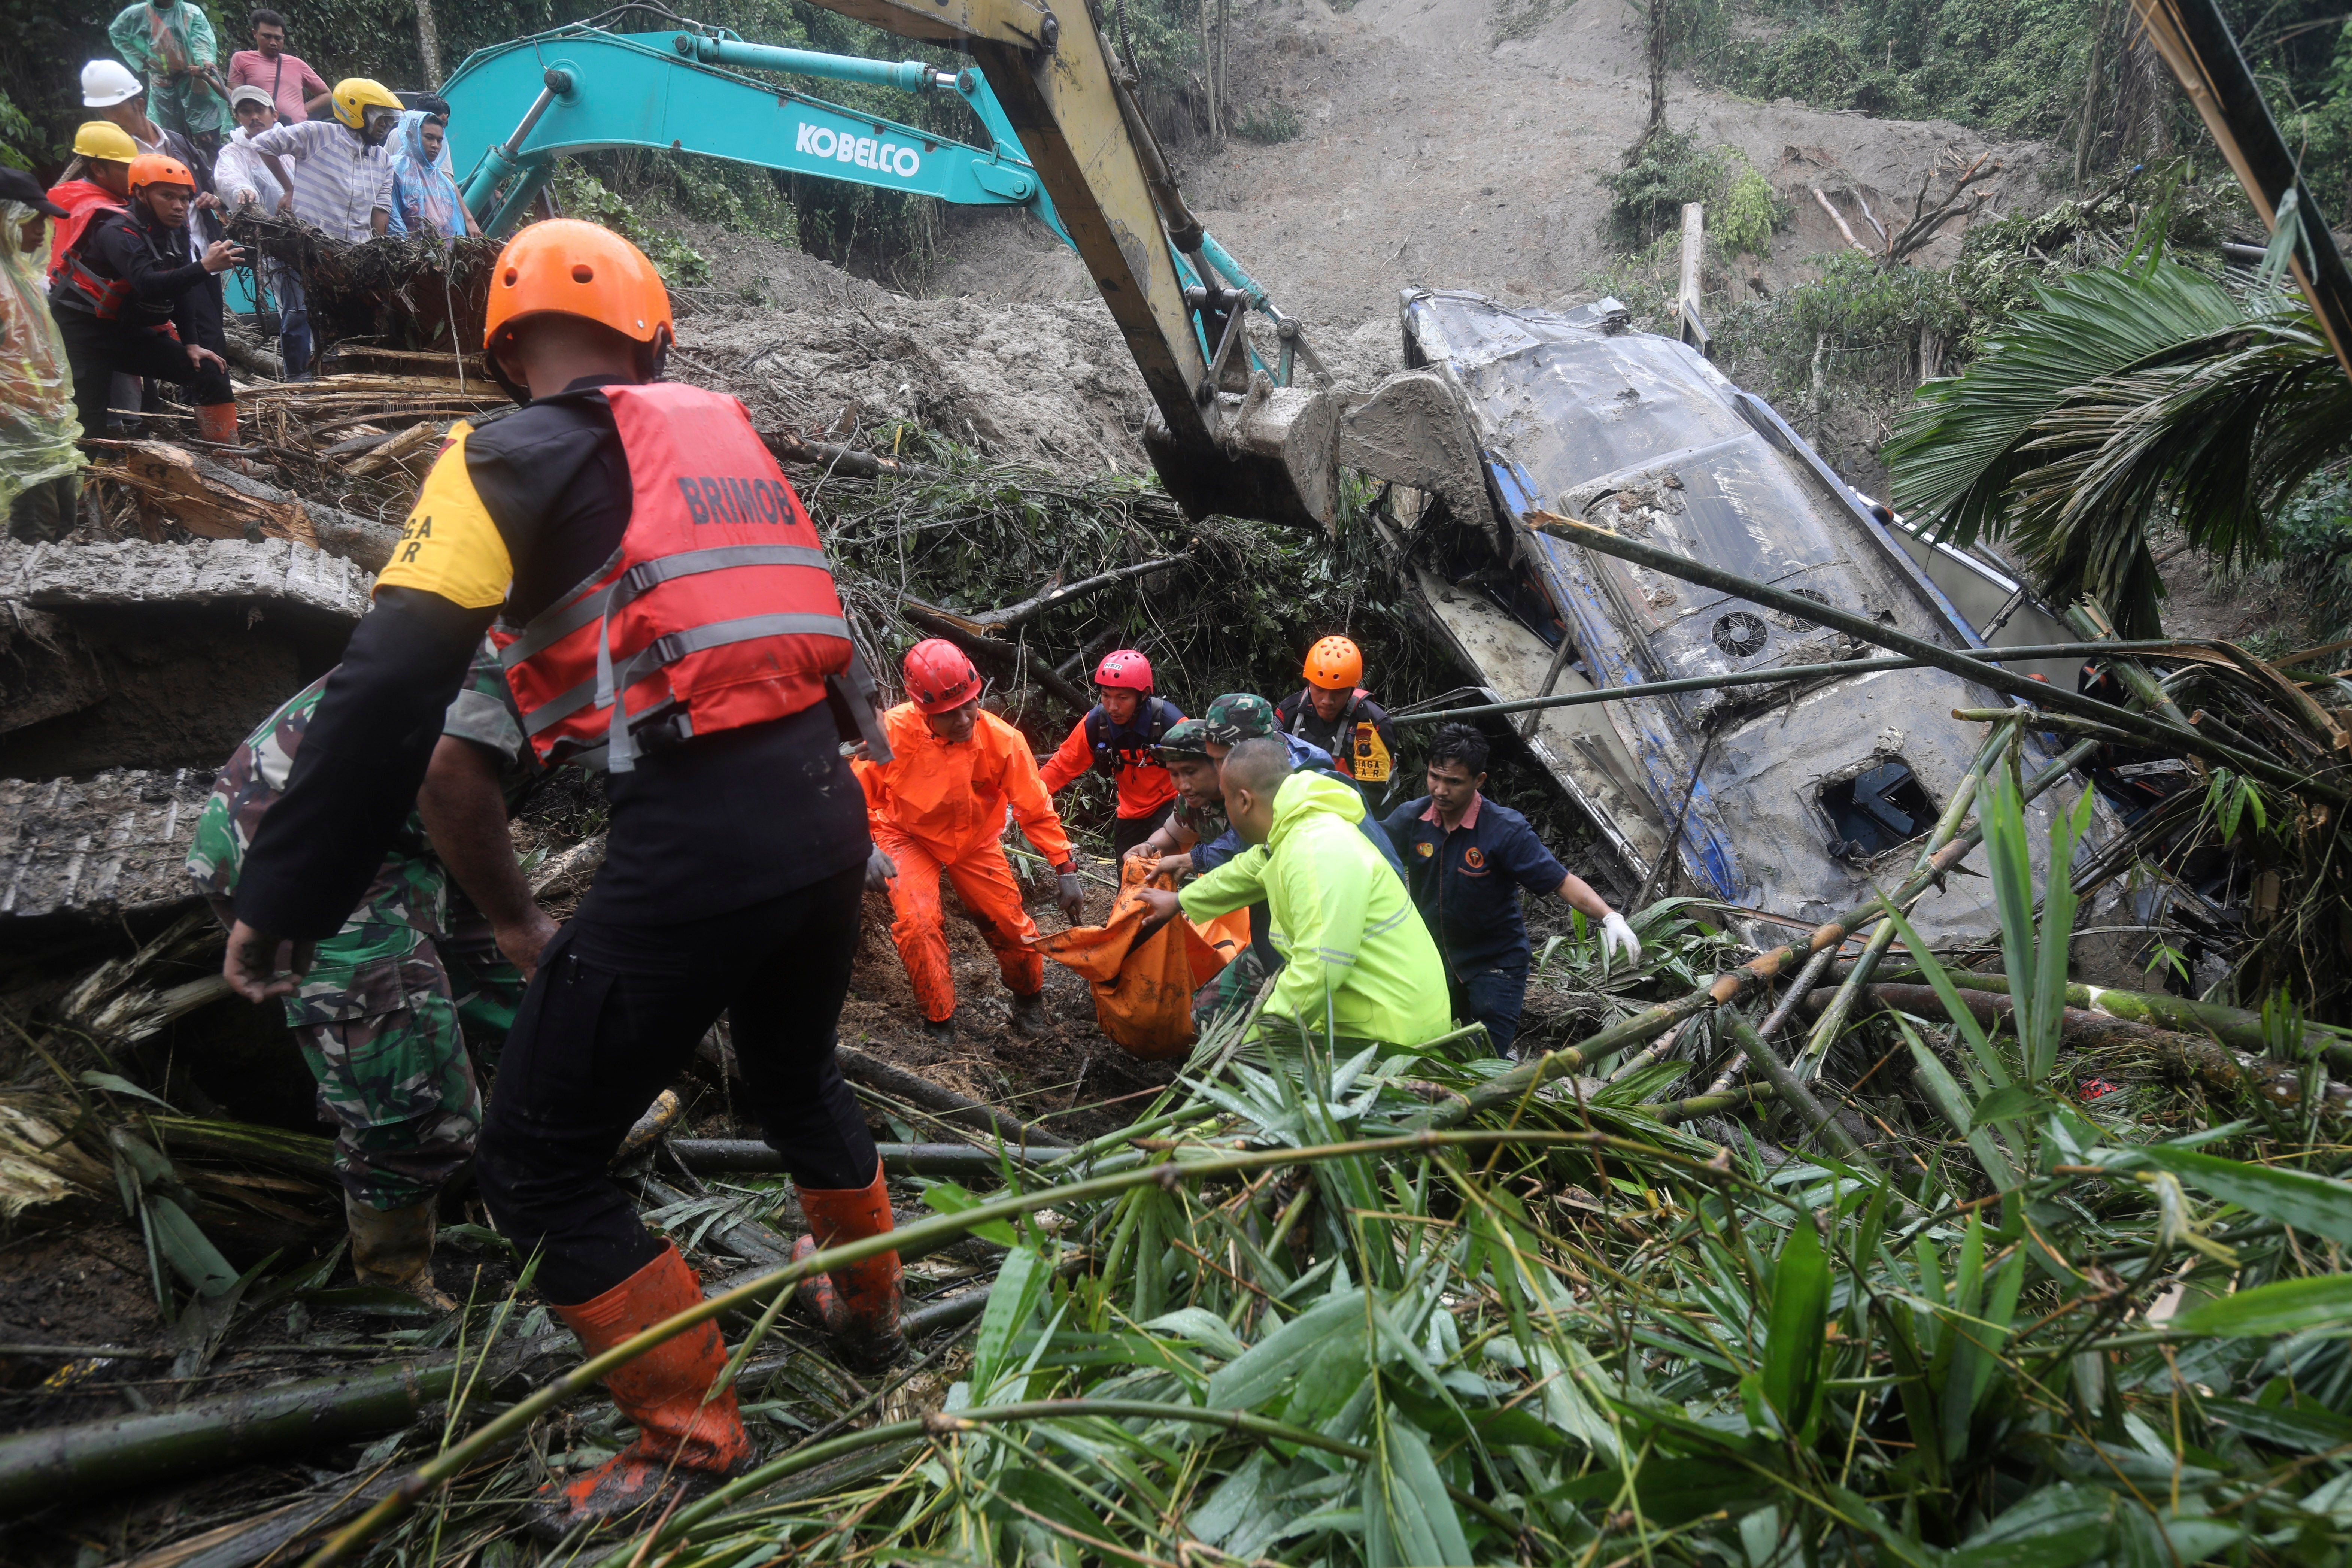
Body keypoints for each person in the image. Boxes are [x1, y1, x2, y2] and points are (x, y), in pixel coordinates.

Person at [216, 219, 901, 1533]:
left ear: (504, 346)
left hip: (695, 841)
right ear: (655, 331)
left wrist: (286, 893)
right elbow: (825, 631)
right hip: (824, 816)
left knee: (536, 1161)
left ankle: (689, 1442)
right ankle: (868, 1304)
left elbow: (387, 689)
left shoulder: (497, 456)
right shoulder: (724, 431)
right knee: (797, 1074)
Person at [188, 646, 551, 1310]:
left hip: (408, 836)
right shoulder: (544, 645)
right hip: (300, 848)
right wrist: (518, 917)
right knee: (406, 1089)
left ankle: (556, 1139)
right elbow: (446, 770)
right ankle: (391, 1279)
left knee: (524, 995)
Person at [1136, 738, 1450, 1047]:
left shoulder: (1317, 851)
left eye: (1227, 800)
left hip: (1389, 1032)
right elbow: (1250, 868)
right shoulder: (1293, 826)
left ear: (1244, 801)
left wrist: (1248, 1044)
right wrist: (1180, 901)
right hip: (1362, 1005)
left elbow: (1317, 972)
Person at [856, 639, 1087, 1041]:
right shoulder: (891, 733)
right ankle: (938, 1021)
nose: (963, 719)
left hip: (975, 841)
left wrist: (1065, 867)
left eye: (969, 704)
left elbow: (1034, 807)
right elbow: (852, 795)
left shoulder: (1002, 741)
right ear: (923, 709)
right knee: (917, 922)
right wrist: (862, 846)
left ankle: (1029, 1001)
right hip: (906, 834)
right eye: (948, 713)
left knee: (1011, 925)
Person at [1380, 724, 1641, 1058]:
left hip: (1495, 964)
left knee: (1485, 1060)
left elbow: (1560, 881)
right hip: (1432, 958)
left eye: (1454, 782)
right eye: (1434, 777)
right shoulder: (1411, 818)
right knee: (1431, 1051)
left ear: (1479, 781)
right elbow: (1370, 855)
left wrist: (1610, 916)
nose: (1440, 790)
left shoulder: (1504, 829)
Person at [47, 152, 243, 445]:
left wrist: (192, 344)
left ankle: (229, 455)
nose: (179, 207)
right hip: (82, 334)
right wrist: (204, 266)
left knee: (210, 370)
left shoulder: (175, 231)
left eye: (184, 198)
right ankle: (89, 482)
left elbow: (179, 290)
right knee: (90, 424)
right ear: (139, 193)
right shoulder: (115, 230)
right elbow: (148, 284)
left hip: (126, 332)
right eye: (167, 196)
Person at [1, 170, 84, 544]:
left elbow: (37, 348)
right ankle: (28, 595)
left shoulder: (19, 273)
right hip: (15, 421)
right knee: (35, 520)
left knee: (64, 511)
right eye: (32, 220)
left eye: (44, 221)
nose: (42, 230)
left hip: (43, 415)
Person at [1036, 649, 1182, 856]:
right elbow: (1062, 766)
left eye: (1122, 698)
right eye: (1106, 696)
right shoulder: (1096, 724)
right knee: (1128, 875)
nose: (1113, 706)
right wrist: (1027, 798)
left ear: (1144, 695)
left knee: (1159, 872)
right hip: (1130, 811)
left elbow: (1200, 771)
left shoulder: (1171, 723)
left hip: (1170, 803)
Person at [214, 83, 312, 377]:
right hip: (277, 245)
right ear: (237, 116)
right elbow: (229, 178)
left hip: (315, 240)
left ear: (274, 113)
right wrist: (243, 192)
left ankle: (330, 368)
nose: (254, 117)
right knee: (295, 310)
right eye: (246, 111)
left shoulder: (293, 145)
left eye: (259, 109)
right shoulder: (235, 153)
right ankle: (299, 376)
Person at [246, 78, 400, 242]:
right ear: (356, 111)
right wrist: (290, 190)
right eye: (380, 118)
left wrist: (379, 249)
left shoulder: (383, 160)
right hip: (311, 245)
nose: (385, 125)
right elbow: (263, 144)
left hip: (355, 254)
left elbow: (381, 209)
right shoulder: (317, 134)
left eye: (390, 119)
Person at [1277, 634, 1400, 789]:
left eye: (1339, 692)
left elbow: (1372, 795)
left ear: (1352, 690)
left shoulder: (1371, 725)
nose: (1327, 701)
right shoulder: (1289, 711)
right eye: (1320, 689)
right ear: (1309, 683)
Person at [107, 0, 230, 153]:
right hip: (164, 87)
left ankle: (213, 174)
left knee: (208, 139)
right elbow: (118, 32)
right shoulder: (139, 14)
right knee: (175, 142)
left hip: (196, 82)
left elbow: (202, 40)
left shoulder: (191, 13)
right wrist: (143, 59)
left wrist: (205, 61)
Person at [386, 109, 479, 239]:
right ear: (411, 136)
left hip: (442, 255)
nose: (435, 145)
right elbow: (392, 221)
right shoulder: (395, 170)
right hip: (411, 255)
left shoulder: (442, 180)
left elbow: (453, 226)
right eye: (429, 138)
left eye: (440, 140)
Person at [227, 8, 330, 125]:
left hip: (297, 131)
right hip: (261, 132)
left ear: (283, 38)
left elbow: (326, 94)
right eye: (267, 36)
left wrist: (303, 109)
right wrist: (209, 79)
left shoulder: (297, 64)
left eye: (278, 38)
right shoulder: (241, 59)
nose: (273, 42)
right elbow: (235, 96)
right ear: (255, 34)